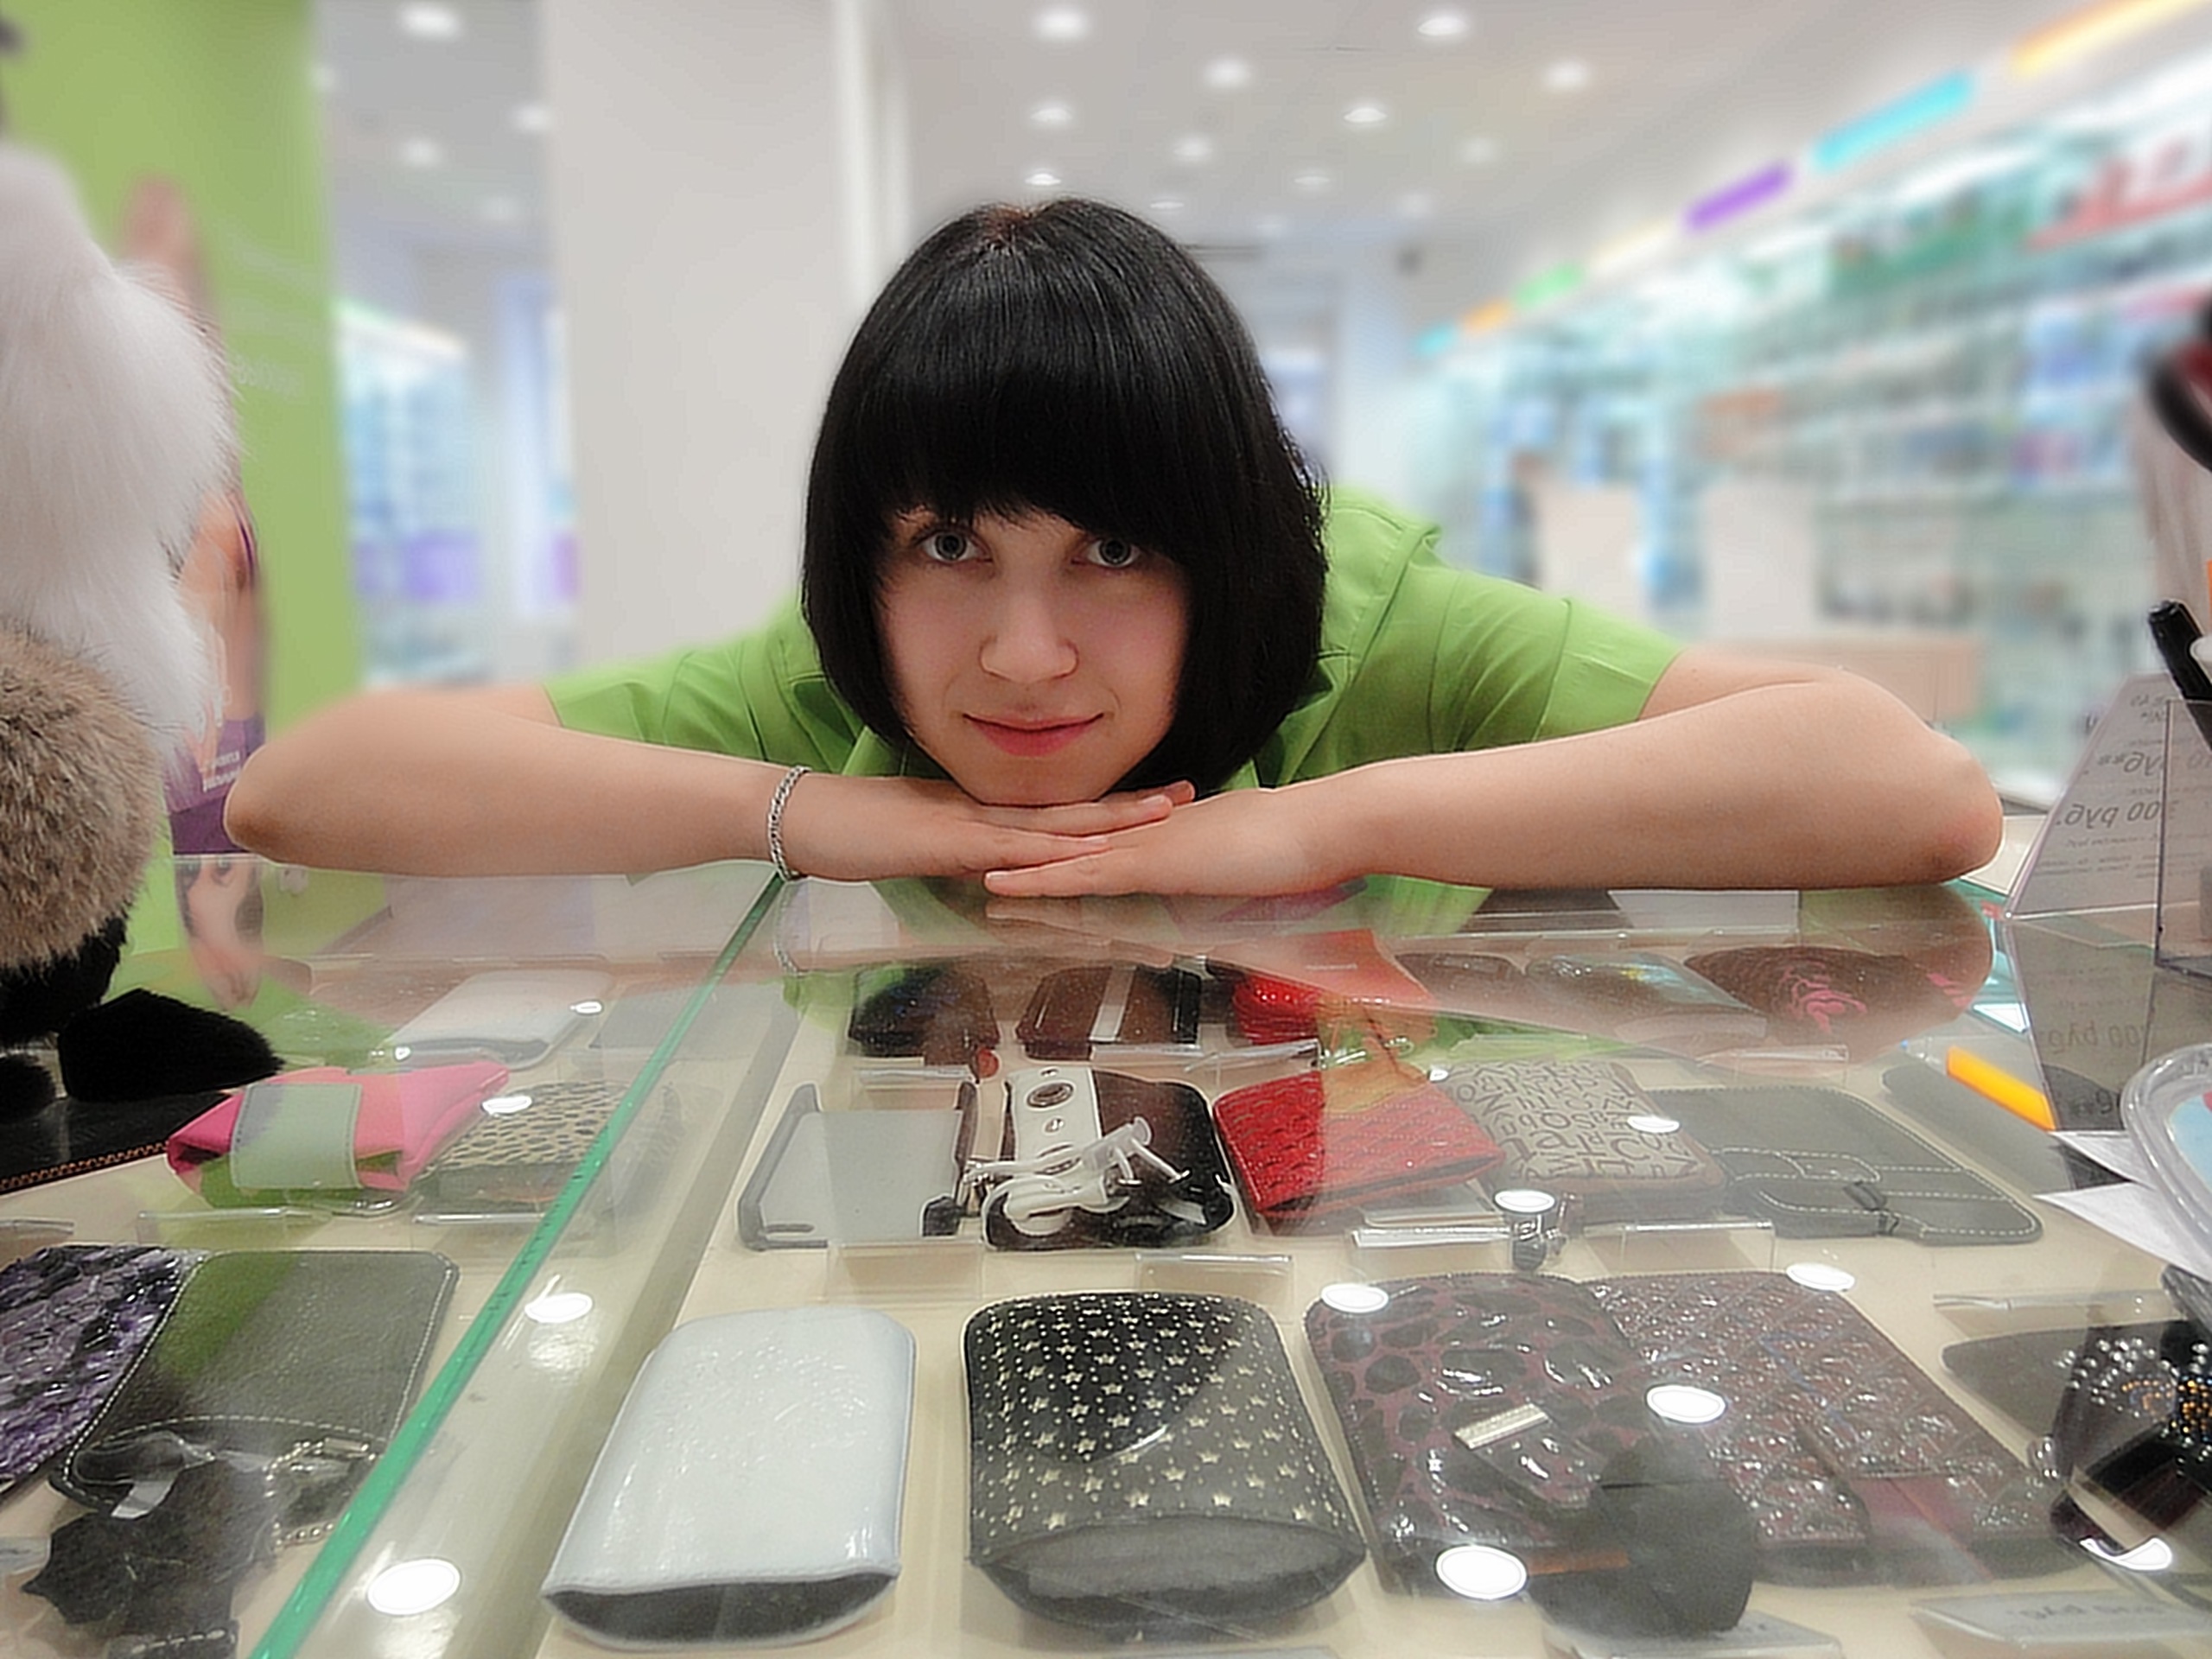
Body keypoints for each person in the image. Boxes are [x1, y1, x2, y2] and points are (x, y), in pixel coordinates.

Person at [226, 200, 2001, 898]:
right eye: (947, 542)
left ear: (1225, 541)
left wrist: (1321, 821)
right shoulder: (820, 682)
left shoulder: (1377, 632)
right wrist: (803, 810)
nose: (1020, 655)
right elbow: (305, 789)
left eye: (1117, 547)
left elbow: (1909, 789)